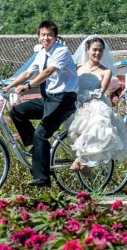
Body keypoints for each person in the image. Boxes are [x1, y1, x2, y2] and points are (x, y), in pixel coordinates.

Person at [4, 20, 79, 188]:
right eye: (43, 35)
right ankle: (35, 149)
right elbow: (29, 72)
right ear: (38, 37)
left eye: (50, 35)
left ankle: (43, 179)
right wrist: (8, 86)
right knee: (17, 112)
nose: (46, 38)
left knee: (41, 134)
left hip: (64, 99)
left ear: (55, 37)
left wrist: (29, 86)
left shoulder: (61, 51)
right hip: (49, 99)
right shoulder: (42, 53)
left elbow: (48, 71)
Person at [67, 36, 127, 171]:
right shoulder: (77, 68)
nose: (97, 53)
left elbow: (101, 91)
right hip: (77, 102)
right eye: (94, 49)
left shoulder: (106, 71)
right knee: (78, 129)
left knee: (97, 127)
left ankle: (82, 161)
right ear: (87, 50)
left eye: (100, 50)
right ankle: (82, 161)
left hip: (95, 102)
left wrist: (87, 101)